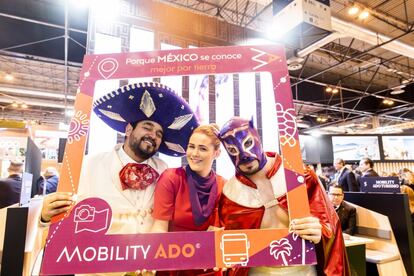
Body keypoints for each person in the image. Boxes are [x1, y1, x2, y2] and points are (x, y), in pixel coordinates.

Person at [39, 82, 198, 275]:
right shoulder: (87, 165)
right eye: (147, 127)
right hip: (98, 270)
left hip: (149, 267)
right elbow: (60, 217)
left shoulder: (166, 171)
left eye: (158, 134)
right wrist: (44, 216)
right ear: (129, 130)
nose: (153, 136)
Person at [218, 117, 349, 276]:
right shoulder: (230, 193)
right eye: (233, 150)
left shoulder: (300, 176)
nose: (244, 155)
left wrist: (320, 232)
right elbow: (232, 246)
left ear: (257, 137)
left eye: (247, 143)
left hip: (303, 271)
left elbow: (330, 226)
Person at [151, 124, 225, 275]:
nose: (194, 153)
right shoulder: (171, 178)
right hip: (171, 264)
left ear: (216, 153)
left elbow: (218, 233)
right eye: (191, 147)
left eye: (203, 148)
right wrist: (150, 260)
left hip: (207, 266)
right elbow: (159, 227)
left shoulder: (224, 185)